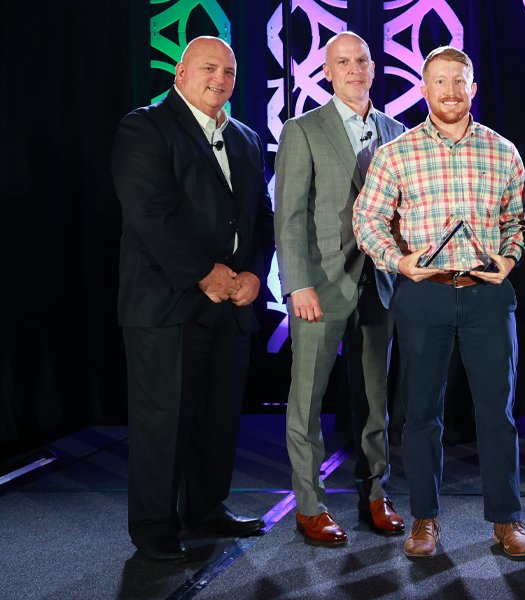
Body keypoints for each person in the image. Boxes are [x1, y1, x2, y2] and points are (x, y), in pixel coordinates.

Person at [353, 45, 525, 559]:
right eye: (440, 82)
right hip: (424, 294)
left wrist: (511, 257)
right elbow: (367, 219)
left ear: (472, 88)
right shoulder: (397, 153)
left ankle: (507, 520)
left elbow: (518, 220)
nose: (450, 91)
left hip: (487, 295)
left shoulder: (503, 151)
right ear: (424, 89)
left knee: (497, 413)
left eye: (459, 81)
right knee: (421, 414)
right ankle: (424, 519)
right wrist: (399, 261)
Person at [111, 36, 274, 561]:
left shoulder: (245, 137)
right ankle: (154, 526)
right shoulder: (146, 127)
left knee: (217, 416)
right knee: (164, 420)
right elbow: (148, 214)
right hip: (167, 303)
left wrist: (254, 274)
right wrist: (204, 274)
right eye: (208, 68)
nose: (220, 79)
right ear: (180, 72)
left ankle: (206, 508)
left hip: (230, 306)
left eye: (229, 72)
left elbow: (261, 218)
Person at [275, 32, 406, 547]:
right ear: (327, 72)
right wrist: (297, 284)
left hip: (380, 286)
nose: (354, 69)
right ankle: (309, 506)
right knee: (306, 401)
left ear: (373, 68)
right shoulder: (302, 130)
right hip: (320, 287)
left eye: (361, 61)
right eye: (343, 62)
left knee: (374, 402)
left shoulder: (397, 132)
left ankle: (375, 496)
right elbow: (288, 217)